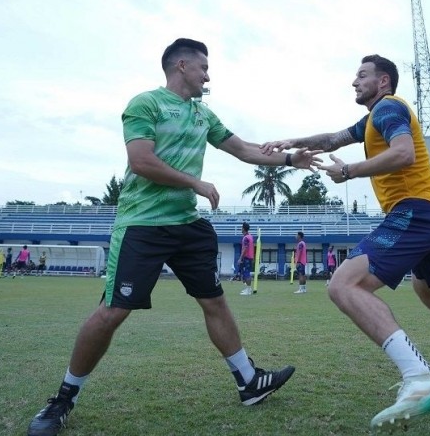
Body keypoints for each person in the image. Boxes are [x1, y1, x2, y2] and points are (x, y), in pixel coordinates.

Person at [26, 38, 317, 436]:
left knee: (215, 301)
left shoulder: (203, 115)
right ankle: (62, 400)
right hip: (142, 224)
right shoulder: (145, 104)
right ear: (181, 66)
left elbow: (244, 150)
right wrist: (194, 182)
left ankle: (248, 382)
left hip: (187, 225)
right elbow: (141, 161)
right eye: (204, 68)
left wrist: (288, 159)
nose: (208, 76)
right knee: (113, 311)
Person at [261, 54, 430, 433]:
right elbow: (332, 139)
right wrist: (293, 142)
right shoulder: (375, 116)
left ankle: (420, 376)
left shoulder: (387, 109)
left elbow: (403, 153)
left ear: (384, 81)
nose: (354, 82)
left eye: (362, 75)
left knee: (344, 284)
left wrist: (349, 171)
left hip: (415, 212)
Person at [238, 223, 255, 295]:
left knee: (246, 273)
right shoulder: (250, 236)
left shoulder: (246, 238)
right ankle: (248, 289)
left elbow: (245, 248)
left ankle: (248, 290)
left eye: (241, 227)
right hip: (250, 257)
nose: (241, 229)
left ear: (243, 229)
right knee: (245, 273)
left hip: (246, 257)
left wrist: (240, 258)